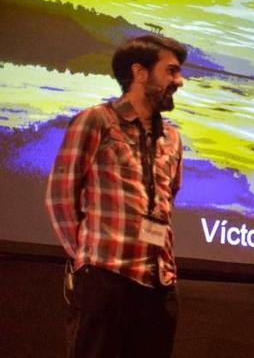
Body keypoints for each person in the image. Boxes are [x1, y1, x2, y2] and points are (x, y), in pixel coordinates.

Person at [45, 34, 187, 357]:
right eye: (171, 71)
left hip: (159, 287)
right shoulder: (97, 121)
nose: (179, 81)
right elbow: (59, 195)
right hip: (106, 281)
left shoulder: (173, 138)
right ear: (140, 73)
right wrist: (87, 260)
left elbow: (169, 199)